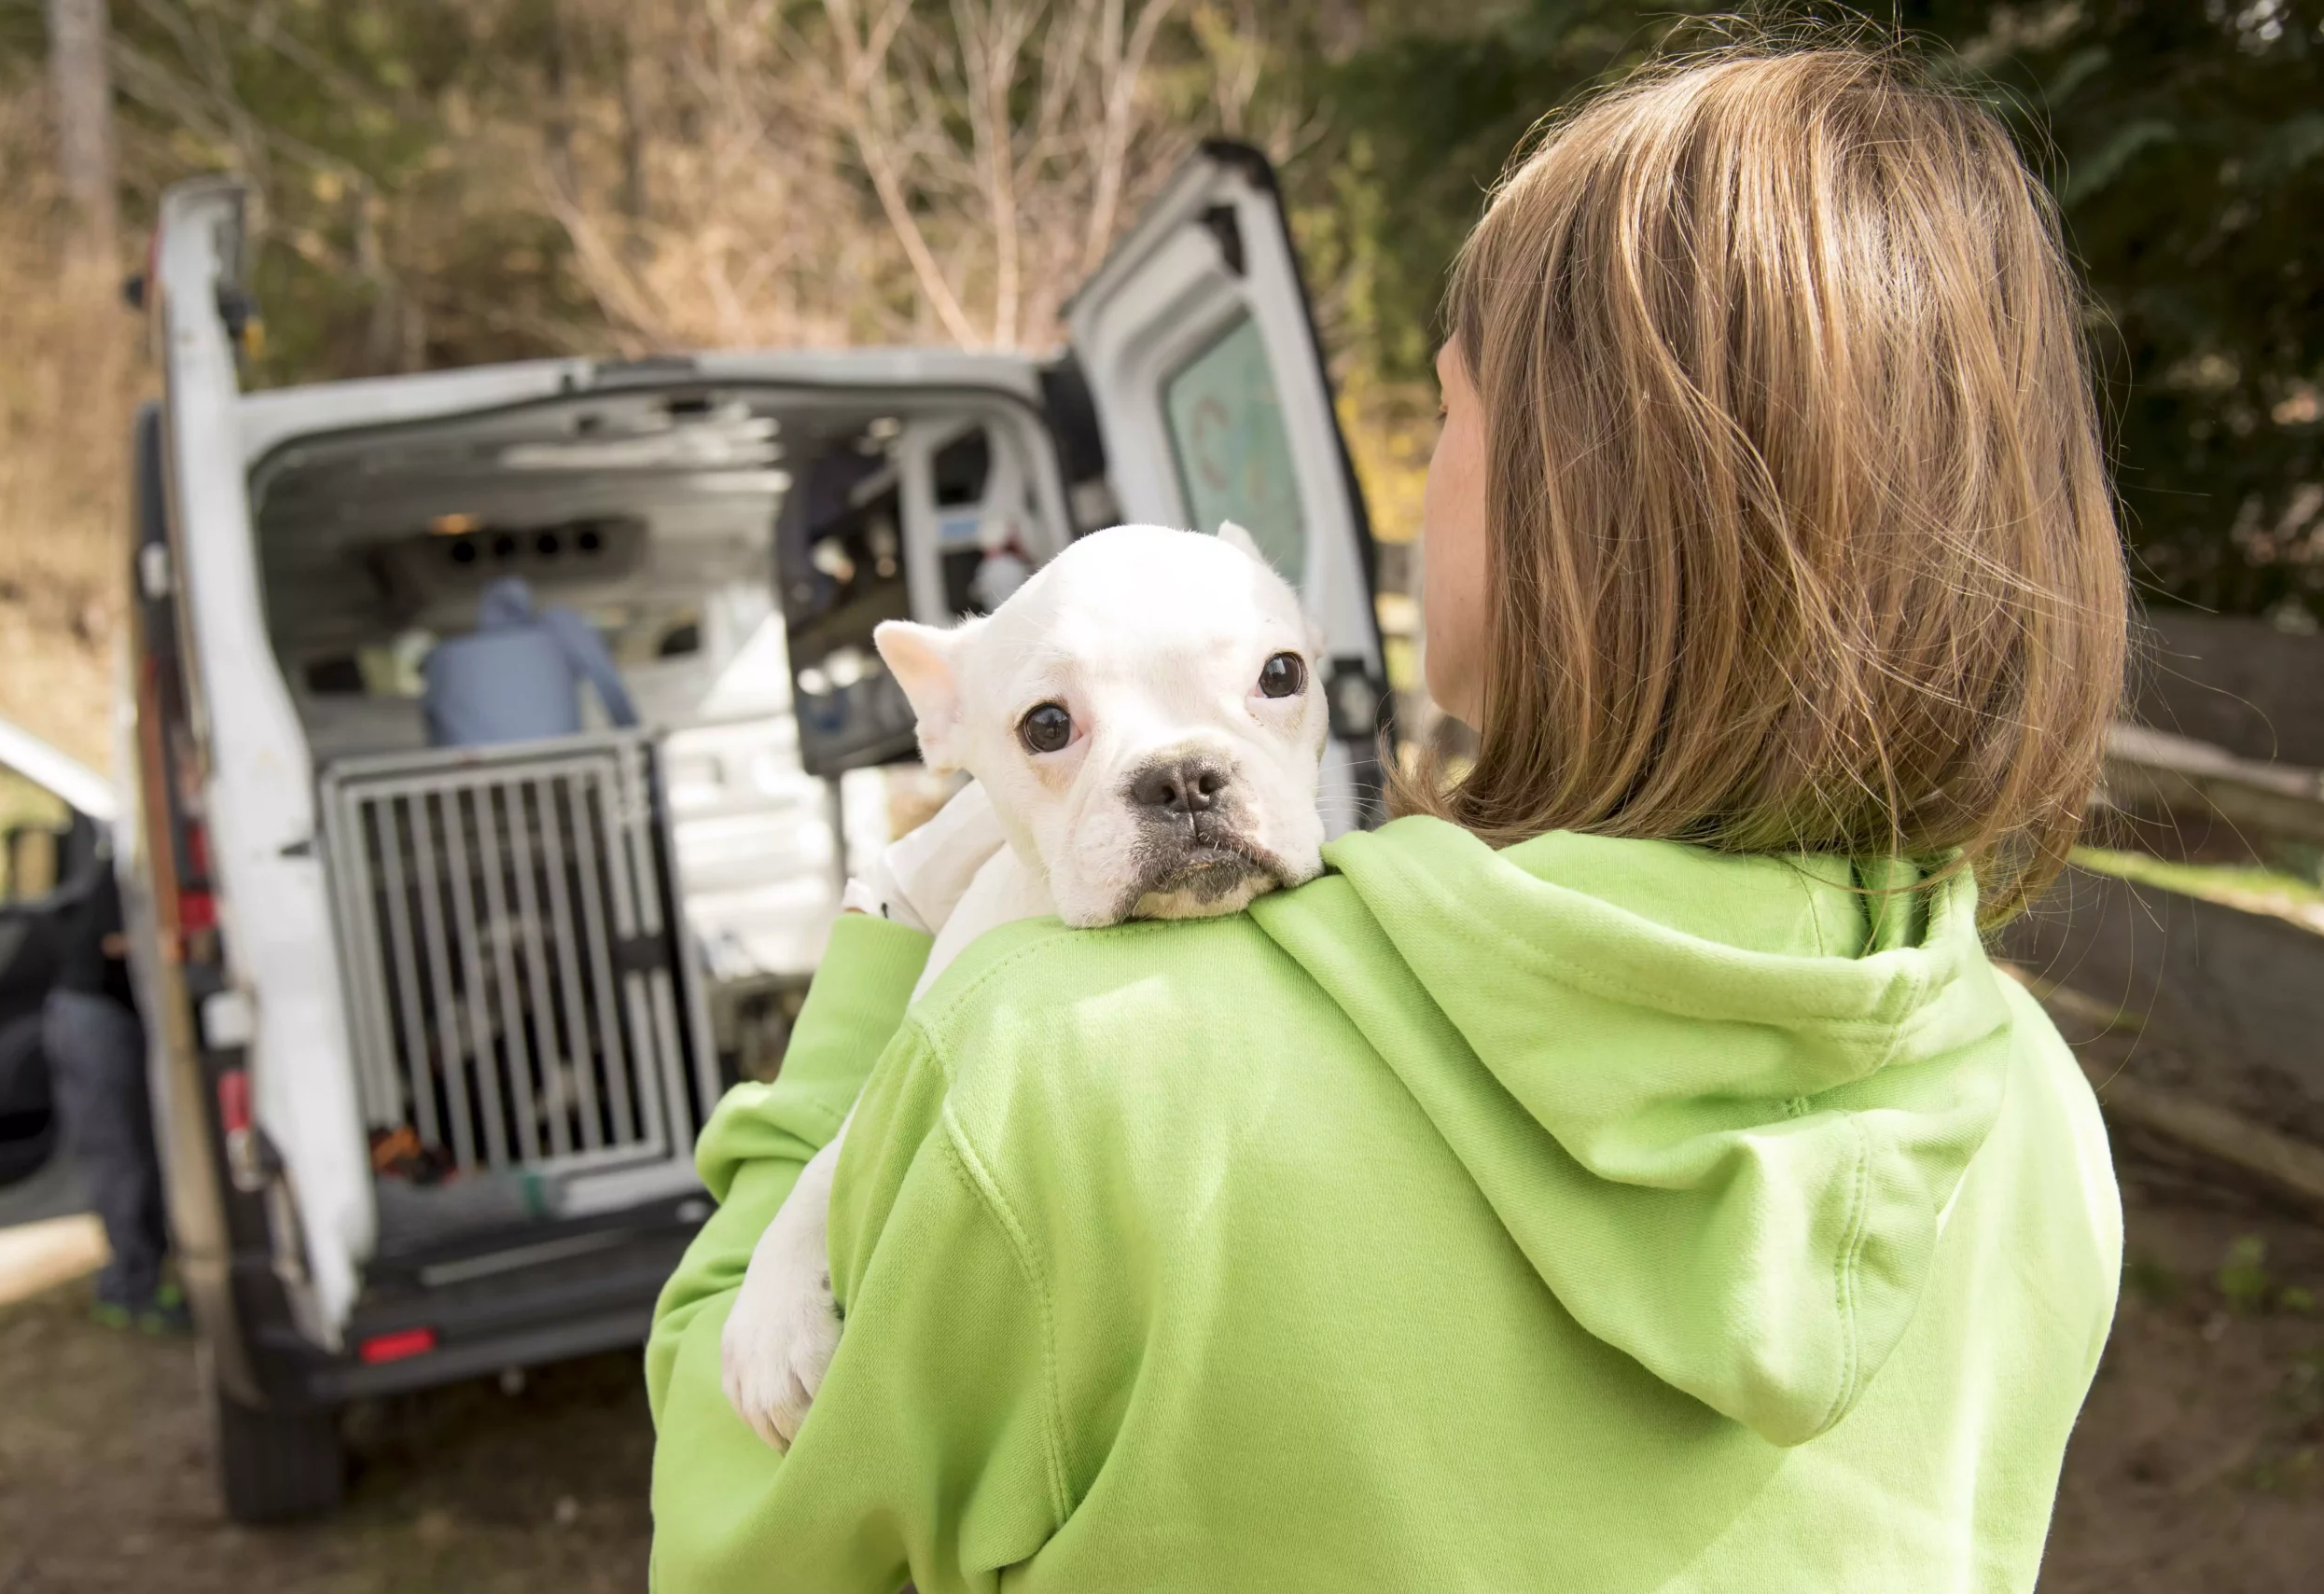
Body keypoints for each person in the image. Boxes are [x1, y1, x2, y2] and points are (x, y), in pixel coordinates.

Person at [648, 42, 2127, 1593]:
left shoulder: (1064, 1059)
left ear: (1570, 495)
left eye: (1448, 408)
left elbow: (733, 1518)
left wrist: (894, 920)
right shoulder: (2030, 1107)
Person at [43, 860, 184, 1332]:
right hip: (95, 1017)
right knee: (121, 1157)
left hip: (103, 1016)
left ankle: (142, 1277)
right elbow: (114, 942)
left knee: (136, 1152)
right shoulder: (129, 860)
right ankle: (131, 1290)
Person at [421, 575, 639, 747]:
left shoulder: (446, 658)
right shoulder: (559, 632)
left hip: (474, 771)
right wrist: (632, 735)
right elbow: (608, 686)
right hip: (558, 760)